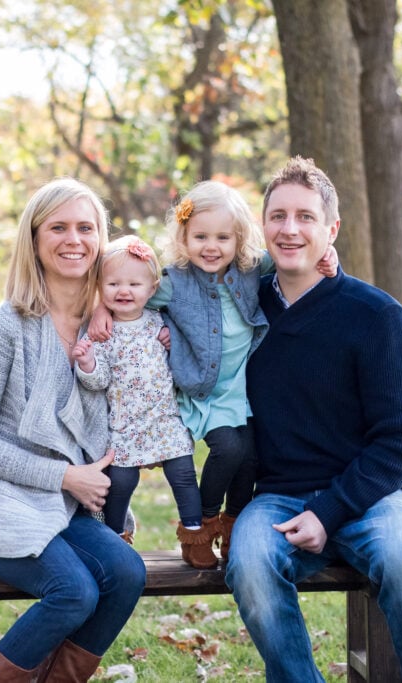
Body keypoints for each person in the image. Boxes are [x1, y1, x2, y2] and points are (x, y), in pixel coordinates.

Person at [224, 156, 402, 682]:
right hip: (277, 496)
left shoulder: (377, 317)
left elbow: (398, 443)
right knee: (251, 565)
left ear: (332, 229)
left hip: (370, 495)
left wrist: (329, 511)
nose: (290, 229)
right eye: (278, 216)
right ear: (263, 226)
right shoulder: (241, 312)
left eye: (306, 217)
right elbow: (161, 294)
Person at [0, 177, 147, 683]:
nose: (73, 239)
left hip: (66, 510)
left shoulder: (112, 327)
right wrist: (65, 478)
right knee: (75, 590)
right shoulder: (3, 326)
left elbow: (203, 279)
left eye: (85, 227)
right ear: (34, 239)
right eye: (58, 227)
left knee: (126, 573)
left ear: (100, 238)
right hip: (0, 503)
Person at [88, 180, 337, 568]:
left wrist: (329, 256)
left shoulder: (253, 269)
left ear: (239, 240)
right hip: (202, 391)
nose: (211, 246)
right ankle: (203, 521)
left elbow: (297, 254)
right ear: (184, 237)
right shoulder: (173, 282)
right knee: (229, 448)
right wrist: (101, 309)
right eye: (200, 236)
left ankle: (234, 524)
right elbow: (127, 293)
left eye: (223, 237)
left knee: (251, 457)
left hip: (241, 386)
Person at [71, 235, 206, 566]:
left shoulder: (162, 322)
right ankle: (115, 540)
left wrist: (176, 343)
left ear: (152, 288)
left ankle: (195, 534)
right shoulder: (101, 332)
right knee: (121, 481)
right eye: (113, 283)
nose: (124, 291)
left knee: (184, 475)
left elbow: (186, 358)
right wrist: (87, 362)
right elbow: (98, 380)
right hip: (126, 423)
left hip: (164, 419)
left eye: (134, 283)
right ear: (101, 287)